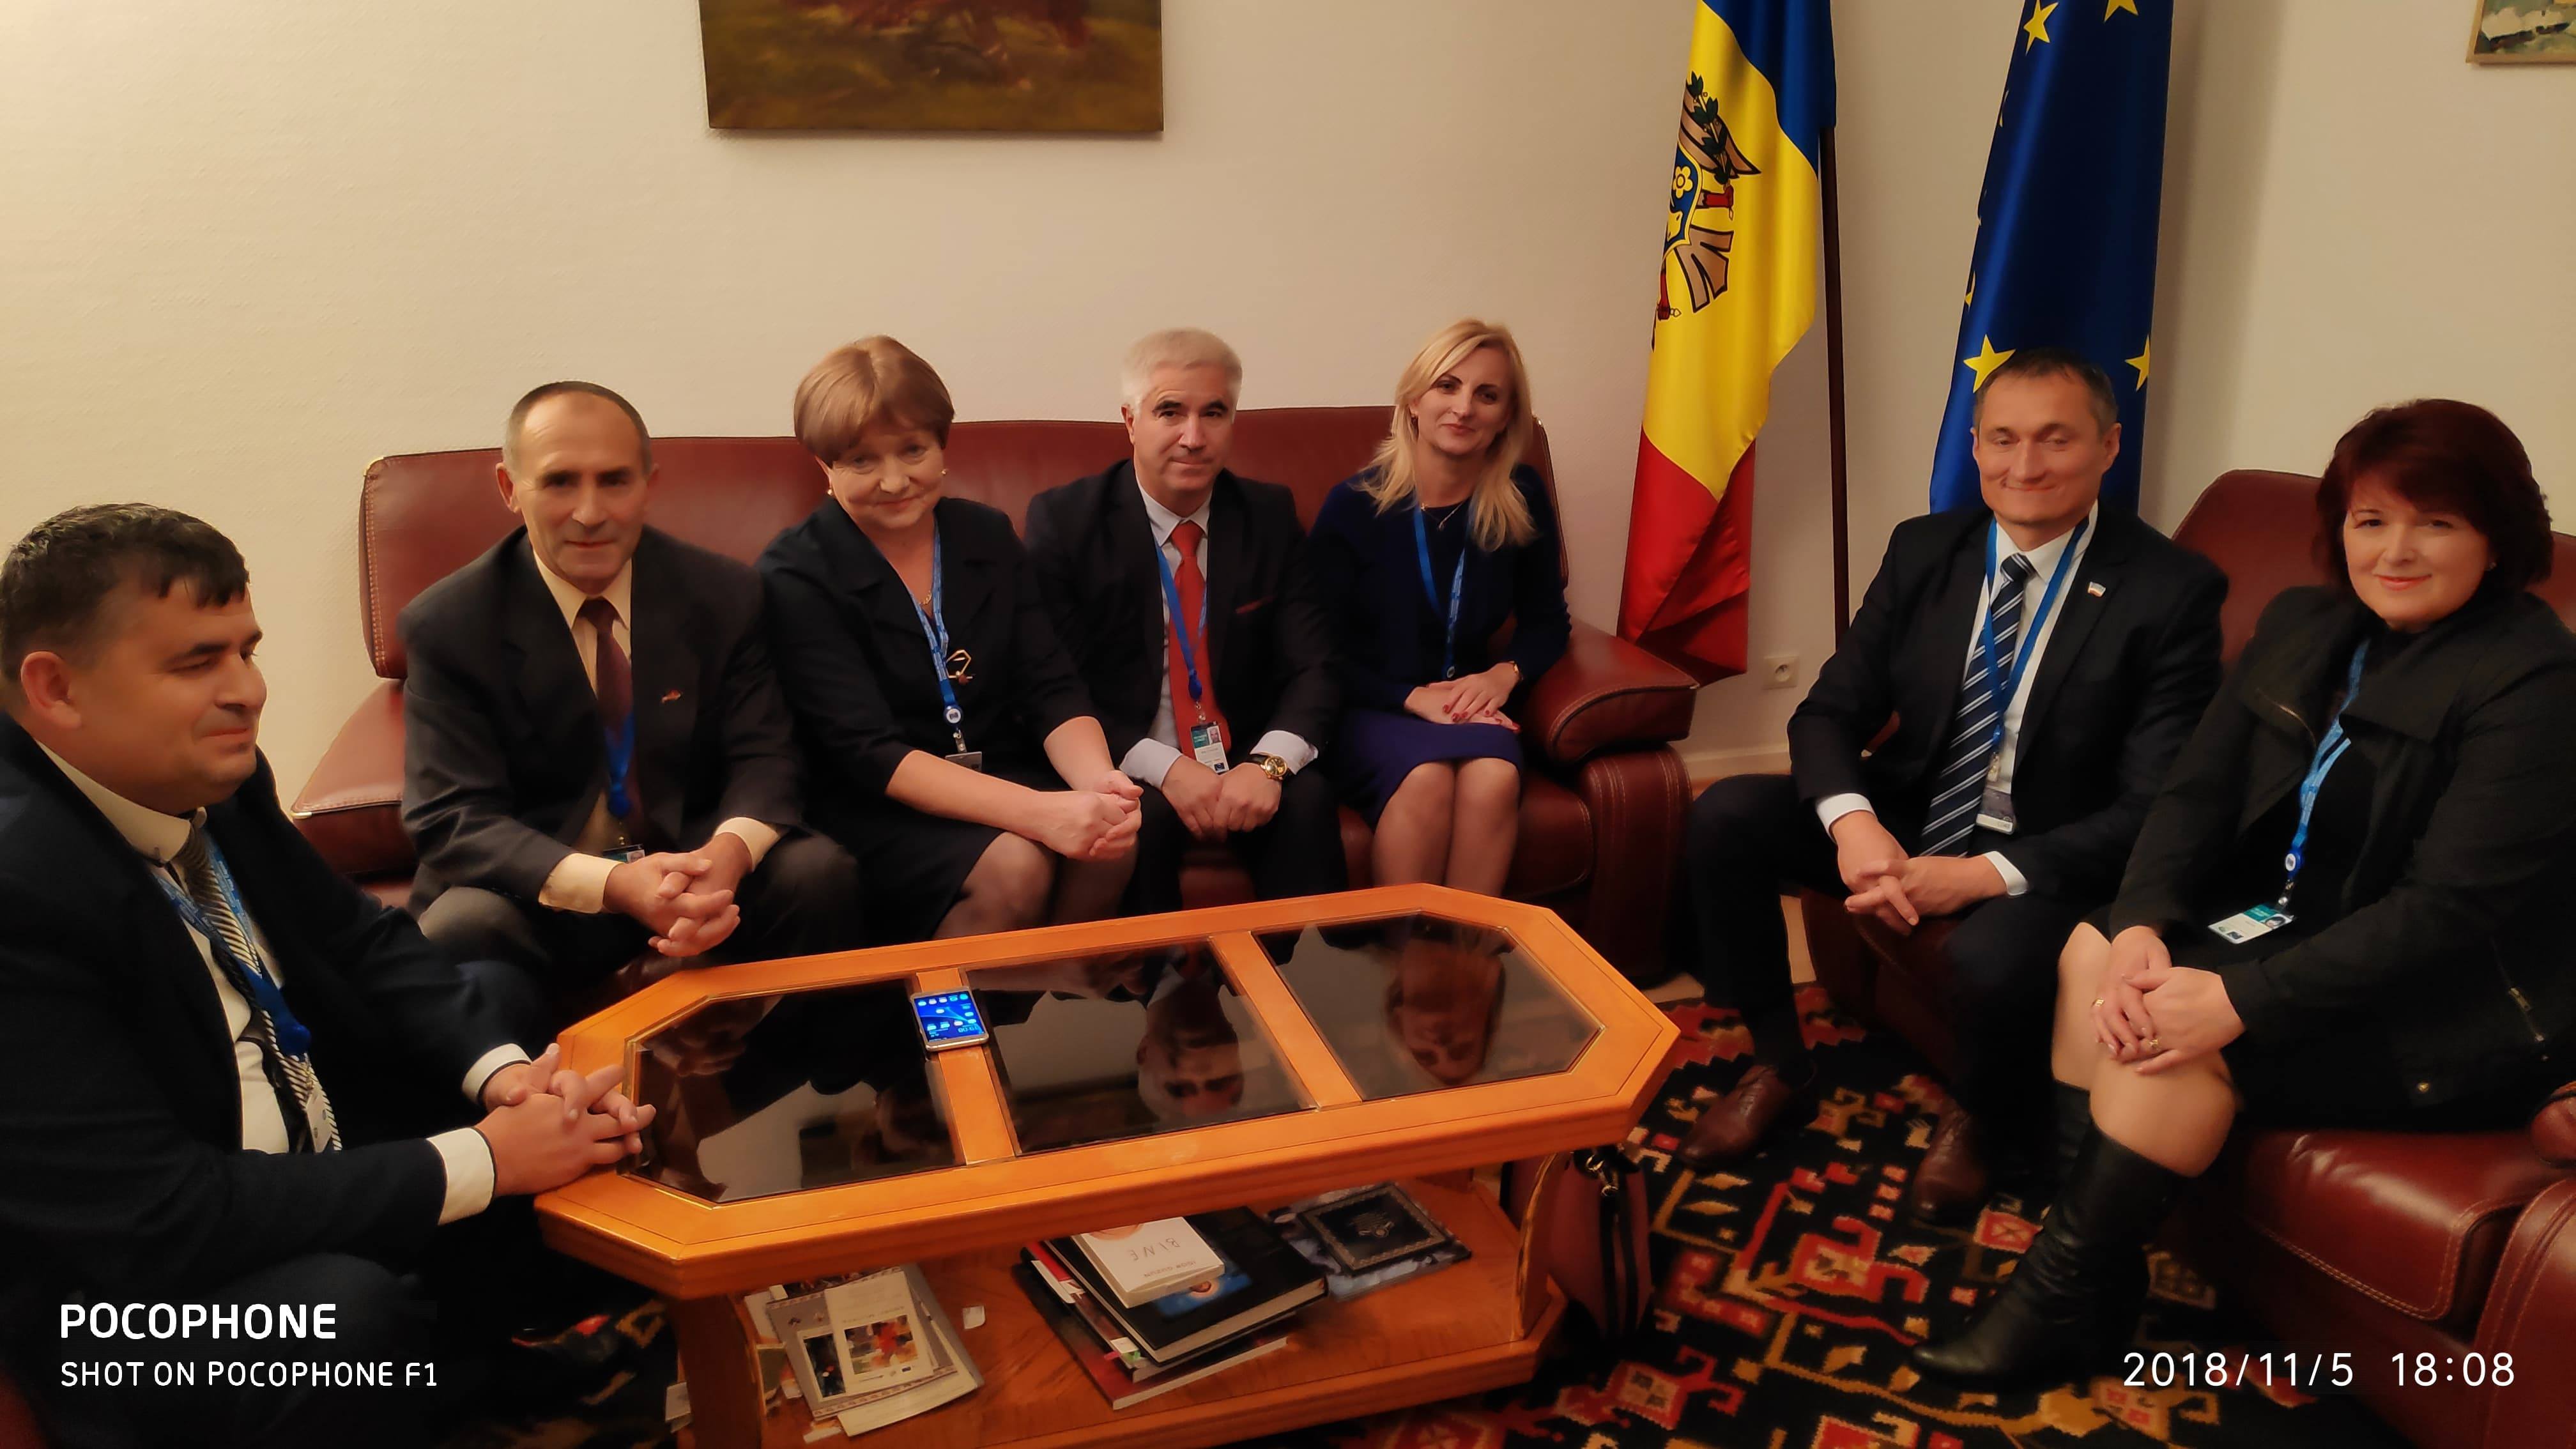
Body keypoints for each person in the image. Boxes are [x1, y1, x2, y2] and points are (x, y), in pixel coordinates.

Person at [1917, 399, 2576, 1384]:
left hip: (2453, 998)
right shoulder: (2311, 624)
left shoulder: (2534, 683)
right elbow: (2197, 789)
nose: (2396, 551)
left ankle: (2056, 1299)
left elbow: (2448, 911)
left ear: (2497, 538)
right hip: (2306, 925)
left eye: (2436, 523)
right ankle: (2095, 1284)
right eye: (2371, 520)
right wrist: (2145, 922)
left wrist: (2239, 1000)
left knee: (2169, 1048)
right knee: (2096, 950)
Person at [0, 505, 649, 1449]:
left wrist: (511, 1082)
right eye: (197, 663)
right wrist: (489, 1158)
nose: (248, 692)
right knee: (338, 1319)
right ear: (56, 689)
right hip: (113, 1309)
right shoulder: (18, 884)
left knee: (493, 1010)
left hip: (263, 1151)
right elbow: (156, 1220)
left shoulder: (206, 770)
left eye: (246, 651)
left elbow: (360, 940)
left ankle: (470, 1385)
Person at [1672, 348, 2228, 1222]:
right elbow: (1828, 713)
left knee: (1989, 955)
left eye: (2055, 439)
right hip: (1918, 809)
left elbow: (2152, 804)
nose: (2024, 465)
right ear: (1975, 447)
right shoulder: (1926, 550)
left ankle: (1979, 1118)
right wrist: (1856, 826)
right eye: (2002, 439)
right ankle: (1779, 1061)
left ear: (2110, 447)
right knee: (1727, 815)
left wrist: (1980, 877)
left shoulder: (2171, 590)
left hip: (2049, 847)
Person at [401, 381, 864, 1026]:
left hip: (695, 872)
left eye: (614, 481)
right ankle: (534, 1089)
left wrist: (726, 859)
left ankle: (796, 1079)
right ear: (510, 488)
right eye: (560, 482)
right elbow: (450, 815)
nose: (590, 512)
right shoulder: (450, 623)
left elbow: (767, 755)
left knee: (818, 874)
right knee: (460, 925)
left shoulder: (724, 594)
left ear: (649, 485)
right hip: (547, 890)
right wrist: (615, 885)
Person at [760, 337, 1140, 943]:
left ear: (942, 445)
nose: (894, 481)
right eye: (861, 460)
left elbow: (1051, 685)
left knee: (1112, 835)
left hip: (999, 768)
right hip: (874, 802)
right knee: (1013, 866)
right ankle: (958, 1006)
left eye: (913, 450)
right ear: (824, 467)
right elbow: (868, 753)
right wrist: (1042, 814)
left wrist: (1098, 783)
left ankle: (1057, 990)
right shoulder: (796, 572)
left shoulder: (984, 534)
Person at [1025, 328, 1345, 914]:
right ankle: (1153, 972)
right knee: (1136, 819)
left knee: (1309, 803)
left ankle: (1309, 971)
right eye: (1170, 411)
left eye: (1213, 414)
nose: (1193, 438)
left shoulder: (1269, 515)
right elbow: (1056, 687)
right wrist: (1166, 767)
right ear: (1130, 421)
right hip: (1129, 758)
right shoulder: (1066, 523)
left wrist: (1268, 764)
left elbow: (1315, 667)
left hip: (1246, 753)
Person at [1306, 319, 1570, 894]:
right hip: (1370, 705)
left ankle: (1466, 950)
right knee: (1425, 778)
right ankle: (1405, 951)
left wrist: (1505, 674)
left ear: (1507, 416)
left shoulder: (1521, 496)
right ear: (1413, 401)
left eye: (1487, 394)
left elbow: (1548, 620)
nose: (1464, 408)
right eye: (1447, 386)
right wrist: (1410, 697)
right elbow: (1318, 650)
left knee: (1494, 776)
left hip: (1466, 705)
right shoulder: (1354, 505)